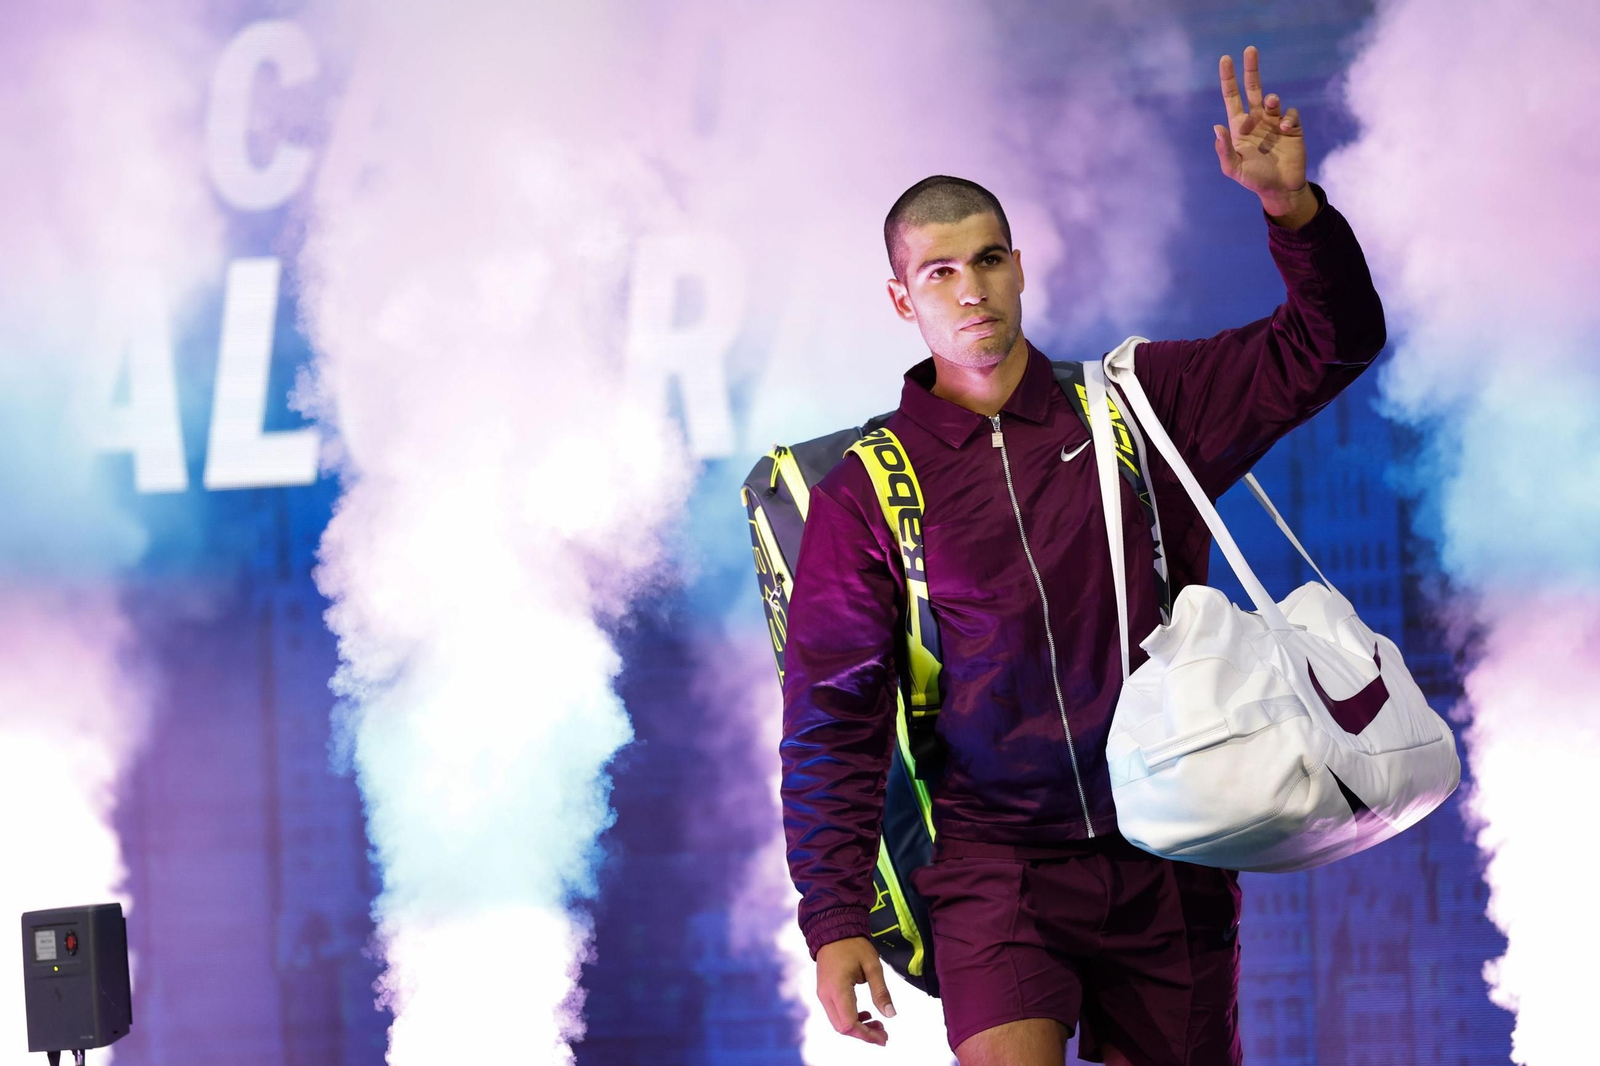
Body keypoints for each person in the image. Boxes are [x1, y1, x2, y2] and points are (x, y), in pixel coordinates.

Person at [777, 45, 1387, 1066]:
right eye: (938, 271)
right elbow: (830, 720)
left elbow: (1329, 344)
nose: (969, 289)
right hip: (995, 868)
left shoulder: (1134, 405)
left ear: (1018, 264)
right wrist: (834, 919)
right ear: (902, 299)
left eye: (988, 259)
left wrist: (1294, 215)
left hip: (1171, 846)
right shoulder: (868, 492)